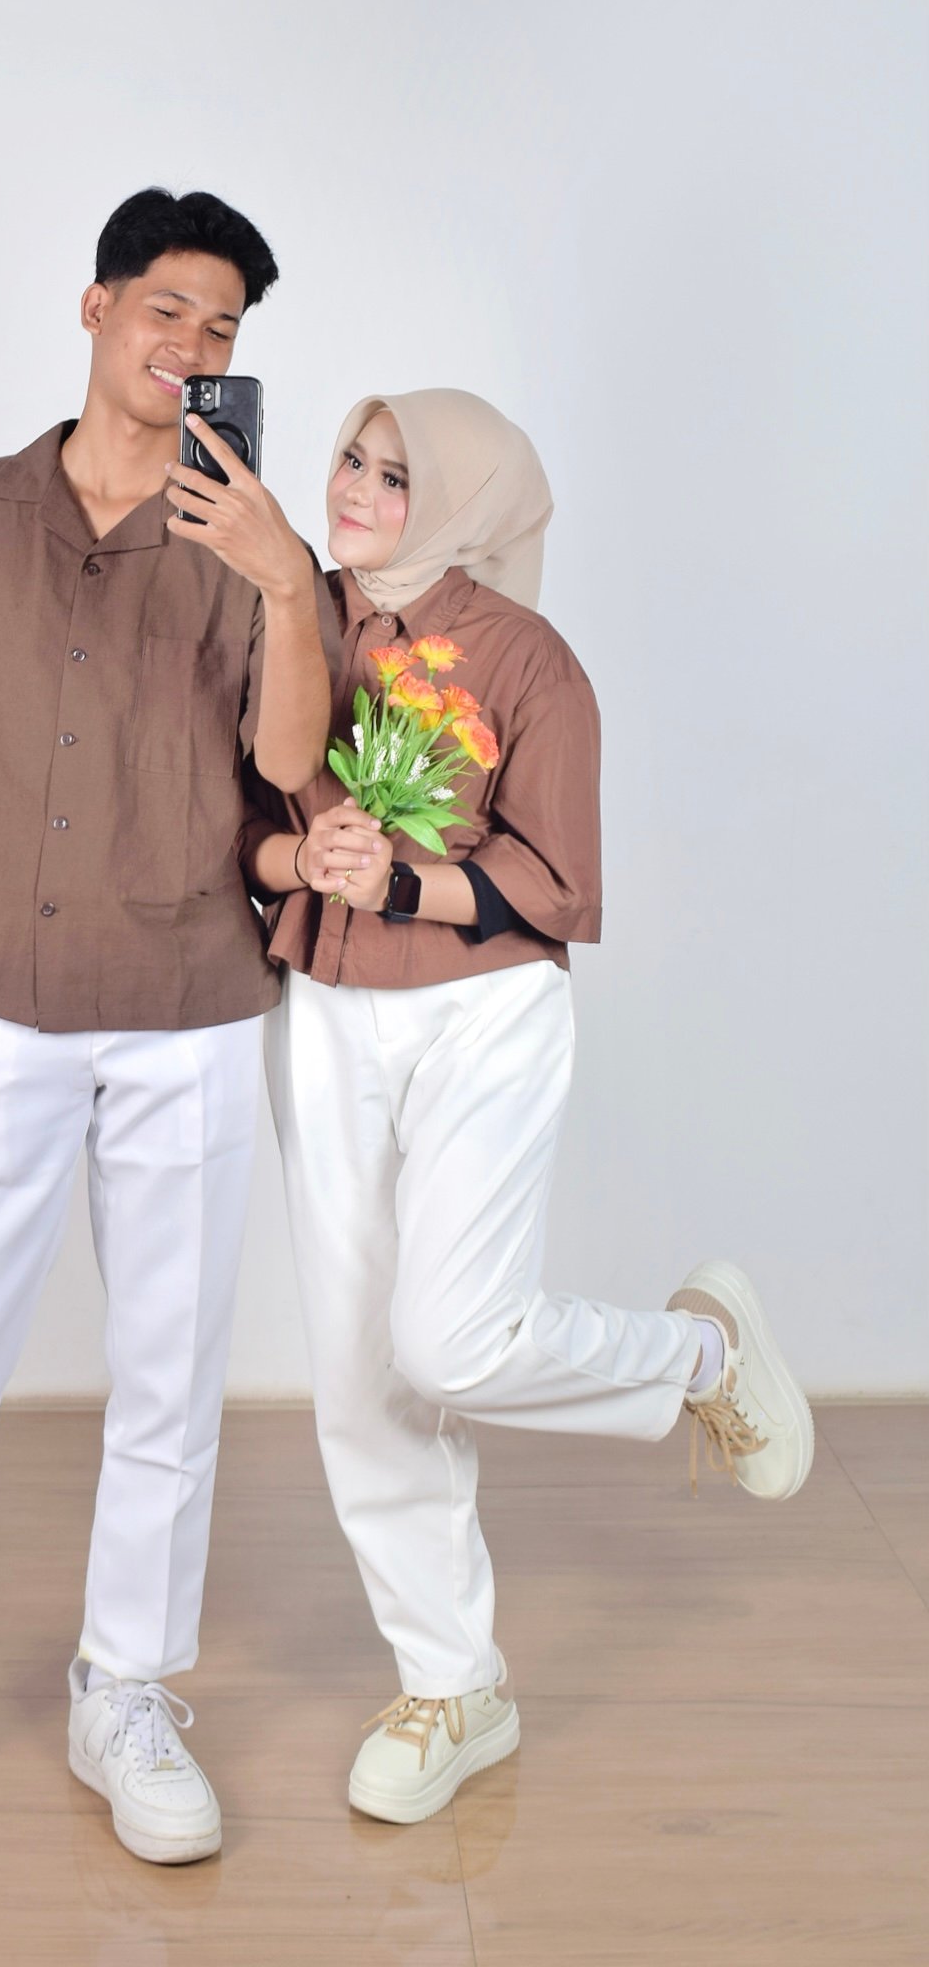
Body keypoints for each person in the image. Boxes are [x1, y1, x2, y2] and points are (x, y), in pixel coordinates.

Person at [0, 188, 332, 1876]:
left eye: (224, 328)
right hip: (0, 1004)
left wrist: (287, 580)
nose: (193, 345)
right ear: (96, 308)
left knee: (172, 1365)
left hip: (188, 1001)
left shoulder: (247, 539)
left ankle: (129, 1689)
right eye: (169, 310)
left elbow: (296, 767)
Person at [240, 389, 814, 1825]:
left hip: (482, 1010)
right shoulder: (288, 609)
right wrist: (302, 862)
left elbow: (561, 886)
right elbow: (234, 814)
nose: (356, 489)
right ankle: (455, 1685)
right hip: (324, 1005)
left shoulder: (530, 661)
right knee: (358, 1369)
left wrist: (404, 879)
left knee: (451, 1340)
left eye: (396, 475)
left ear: (466, 505)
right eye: (351, 459)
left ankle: (699, 1355)